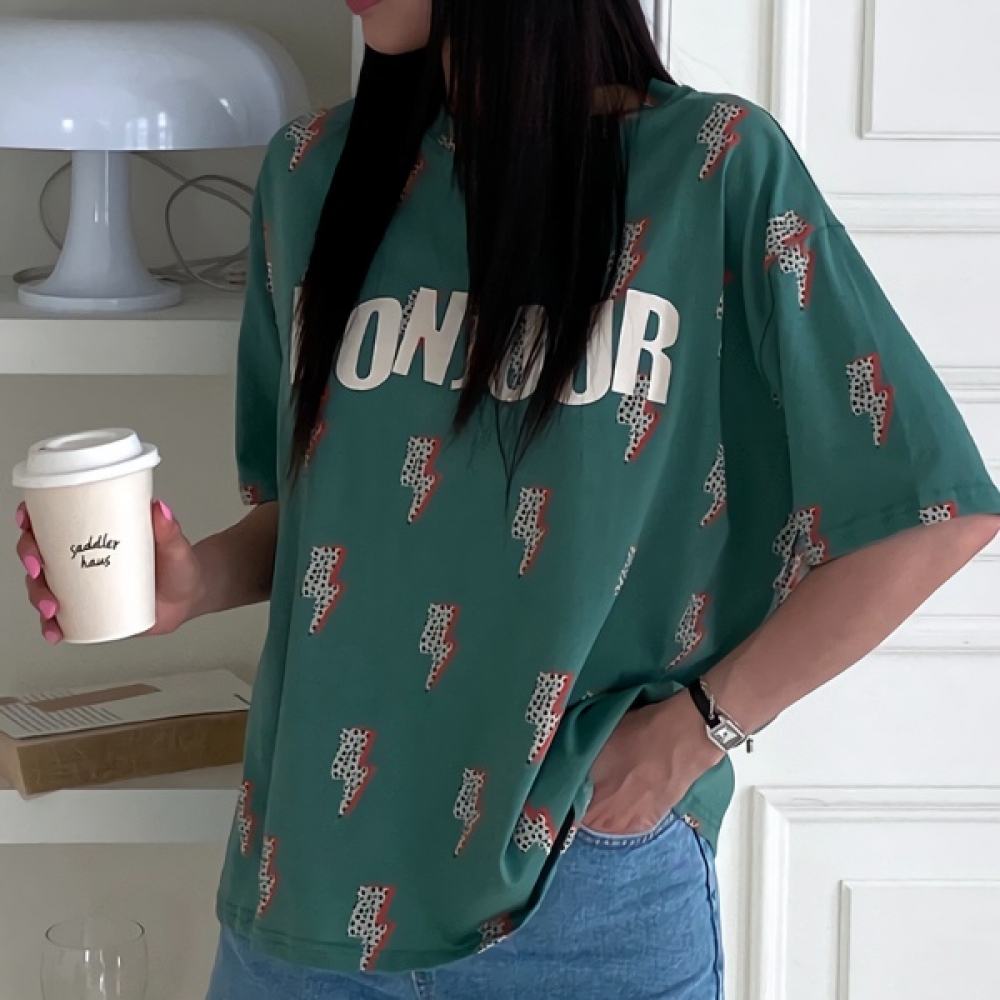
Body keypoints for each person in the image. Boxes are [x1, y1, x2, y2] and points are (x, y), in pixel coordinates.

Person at [17, 1, 1000, 997]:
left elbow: (933, 514)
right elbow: (323, 520)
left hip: (579, 899)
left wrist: (696, 731)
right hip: (303, 889)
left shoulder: (713, 168)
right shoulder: (313, 172)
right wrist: (192, 581)